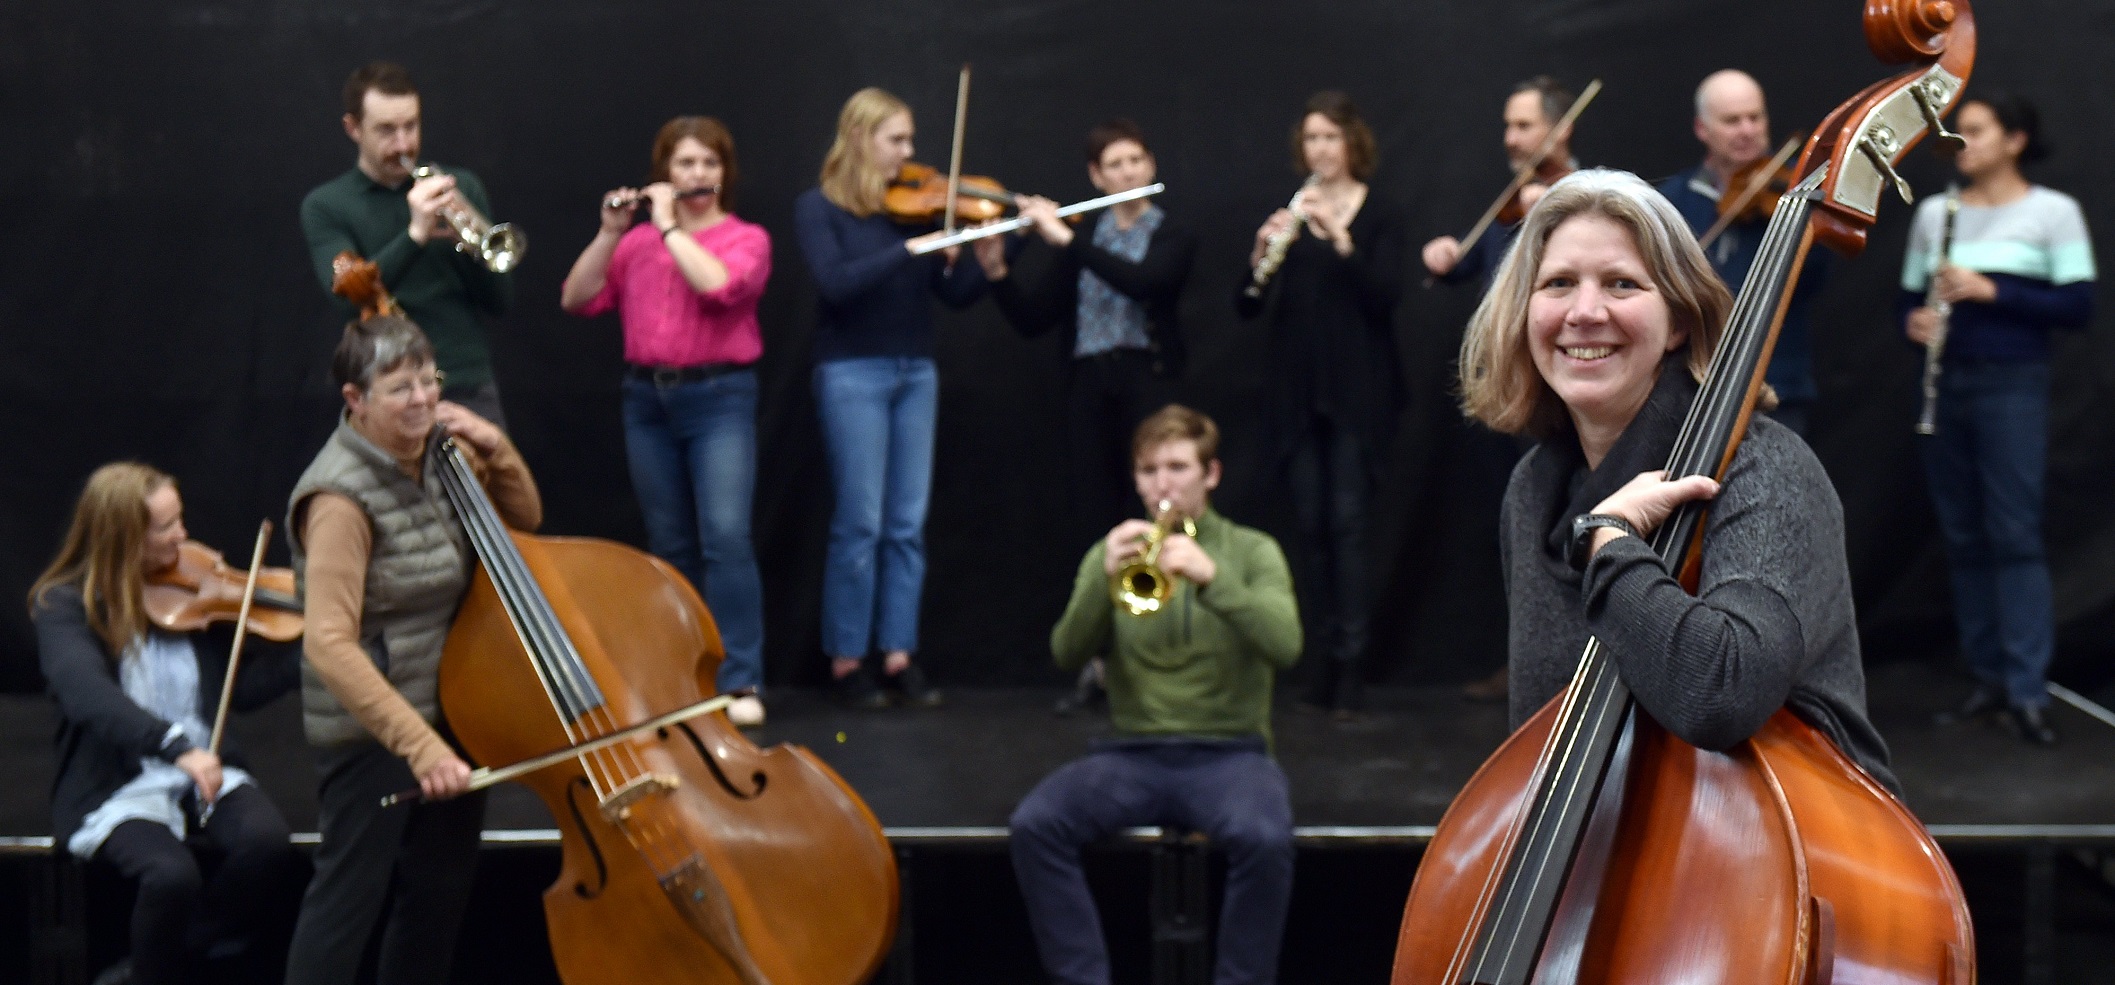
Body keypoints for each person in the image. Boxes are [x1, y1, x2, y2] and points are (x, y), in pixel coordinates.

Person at [1460, 168, 1896, 794]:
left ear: (1679, 321)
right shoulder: (1534, 488)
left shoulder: (1762, 468)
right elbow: (1539, 735)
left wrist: (1609, 541)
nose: (1585, 312)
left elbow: (1721, 692)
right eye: (1557, 284)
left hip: (1773, 868)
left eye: (1621, 284)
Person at [281, 316, 543, 985]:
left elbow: (526, 517)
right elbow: (329, 643)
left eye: (429, 380)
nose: (423, 398)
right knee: (347, 907)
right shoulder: (338, 496)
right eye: (401, 387)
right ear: (355, 399)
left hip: (453, 705)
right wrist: (418, 746)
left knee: (436, 901)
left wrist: (497, 445)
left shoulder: (439, 453)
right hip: (373, 732)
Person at [1010, 405, 1301, 985]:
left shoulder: (1252, 551)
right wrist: (1100, 580)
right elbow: (1067, 655)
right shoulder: (1112, 553)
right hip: (1133, 753)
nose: (1161, 485)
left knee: (1266, 839)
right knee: (1035, 824)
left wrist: (1214, 578)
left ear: (1211, 474)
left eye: (1176, 467)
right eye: (1148, 471)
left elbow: (1286, 645)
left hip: (1232, 753)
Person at [31, 463, 307, 985]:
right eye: (166, 527)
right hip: (120, 782)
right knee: (170, 876)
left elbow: (236, 693)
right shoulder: (64, 607)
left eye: (179, 520)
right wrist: (174, 745)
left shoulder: (191, 601)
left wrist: (301, 661)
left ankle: (158, 964)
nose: (183, 535)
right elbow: (90, 697)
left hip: (199, 769)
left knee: (267, 845)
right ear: (124, 536)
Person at [972, 118, 1197, 714]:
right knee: (1096, 521)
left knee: (1155, 515)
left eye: (1135, 161)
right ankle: (1101, 664)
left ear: (1150, 166)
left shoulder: (1168, 232)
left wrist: (1069, 240)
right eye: (1114, 166)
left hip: (1146, 383)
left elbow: (1146, 282)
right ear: (1096, 177)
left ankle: (1160, 660)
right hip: (1088, 387)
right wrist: (997, 271)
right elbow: (1034, 318)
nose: (1127, 173)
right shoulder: (1086, 234)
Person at [561, 116, 770, 727]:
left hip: (718, 398)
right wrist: (609, 234)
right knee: (670, 547)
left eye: (709, 164)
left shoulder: (746, 238)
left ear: (724, 174)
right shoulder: (637, 244)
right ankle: (679, 678)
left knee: (726, 539)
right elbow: (576, 297)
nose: (698, 175)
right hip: (647, 402)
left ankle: (740, 681)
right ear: (664, 174)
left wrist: (671, 228)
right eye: (685, 165)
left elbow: (720, 289)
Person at [1903, 93, 2094, 746]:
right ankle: (1984, 675)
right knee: (1961, 533)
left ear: (2014, 139)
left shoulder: (2052, 213)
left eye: (1976, 131)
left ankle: (2025, 688)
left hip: (2012, 384)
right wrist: (1915, 321)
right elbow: (1910, 296)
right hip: (1947, 384)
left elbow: (2077, 306)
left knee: (2012, 532)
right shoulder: (1936, 213)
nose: (1961, 141)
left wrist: (1992, 291)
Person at [793, 87, 987, 709]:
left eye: (909, 140)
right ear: (860, 139)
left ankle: (899, 655)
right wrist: (909, 249)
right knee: (861, 522)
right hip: (852, 372)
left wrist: (986, 254)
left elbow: (955, 297)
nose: (910, 153)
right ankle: (849, 662)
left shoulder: (921, 211)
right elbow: (836, 283)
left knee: (906, 524)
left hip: (915, 371)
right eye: (896, 140)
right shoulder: (819, 209)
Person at [1236, 90, 1405, 716]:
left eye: (1330, 138)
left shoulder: (1378, 212)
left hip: (1355, 391)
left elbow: (1387, 297)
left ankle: (1353, 662)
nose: (1320, 151)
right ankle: (1324, 657)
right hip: (1297, 391)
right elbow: (1247, 306)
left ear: (1352, 144)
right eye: (1311, 140)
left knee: (1348, 524)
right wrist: (1260, 259)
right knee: (1309, 527)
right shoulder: (1292, 211)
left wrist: (1341, 241)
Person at [300, 61, 515, 429]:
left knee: (488, 488)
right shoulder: (326, 205)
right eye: (386, 130)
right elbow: (346, 298)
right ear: (353, 128)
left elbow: (500, 302)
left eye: (411, 126)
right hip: (386, 391)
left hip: (467, 384)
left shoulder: (459, 186)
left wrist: (471, 246)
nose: (403, 144)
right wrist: (414, 237)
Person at [1657, 70, 1827, 438]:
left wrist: (1796, 221)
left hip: (1778, 381)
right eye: (1732, 121)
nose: (1748, 130)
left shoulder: (1792, 193)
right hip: (1694, 384)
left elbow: (1812, 280)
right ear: (1702, 129)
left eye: (1755, 117)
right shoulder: (1674, 200)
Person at [1422, 76, 1579, 290]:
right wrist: (1446, 253)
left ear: (1562, 129)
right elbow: (1478, 259)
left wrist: (1547, 219)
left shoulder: (1585, 198)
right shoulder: (1514, 196)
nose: (1510, 139)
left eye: (1524, 126)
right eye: (1509, 126)